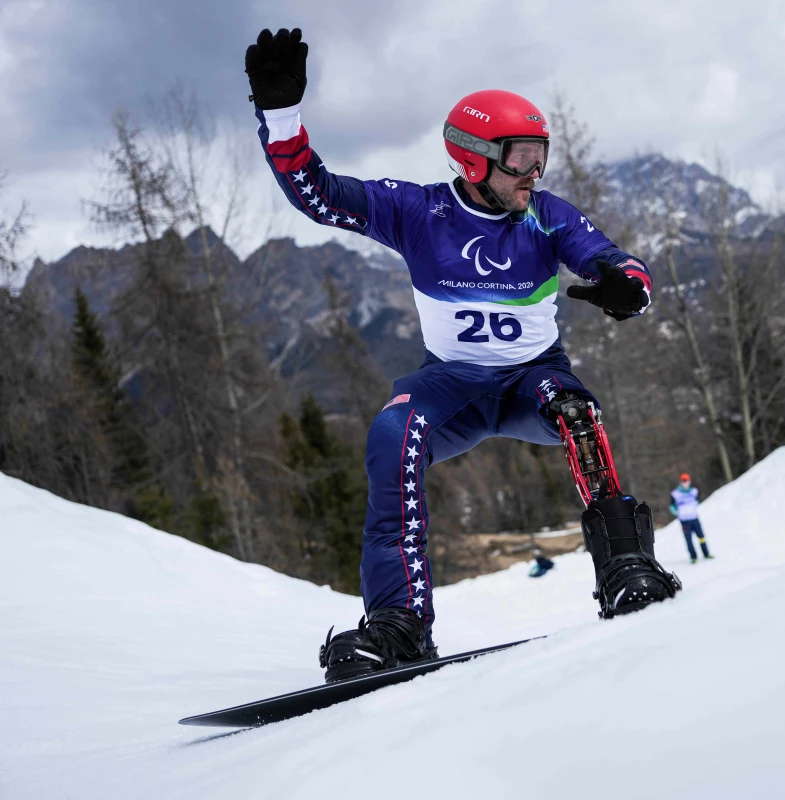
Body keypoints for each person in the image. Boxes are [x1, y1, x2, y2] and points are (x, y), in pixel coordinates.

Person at [245, 29, 680, 682]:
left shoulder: (546, 214)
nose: (533, 174)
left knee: (579, 411)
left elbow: (617, 263)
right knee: (393, 431)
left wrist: (626, 286)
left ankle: (626, 569)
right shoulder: (417, 211)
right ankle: (400, 625)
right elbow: (319, 194)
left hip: (536, 379)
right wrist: (281, 118)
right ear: (474, 159)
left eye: (541, 159)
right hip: (452, 385)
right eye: (520, 160)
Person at [670, 473, 712, 564]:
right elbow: (672, 506)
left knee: (701, 537)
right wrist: (677, 512)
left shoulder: (694, 491)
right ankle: (693, 557)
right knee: (689, 540)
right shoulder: (675, 493)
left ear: (689, 481)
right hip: (684, 521)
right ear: (680, 481)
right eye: (683, 480)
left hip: (694, 518)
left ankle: (706, 553)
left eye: (687, 480)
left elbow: (697, 500)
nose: (685, 482)